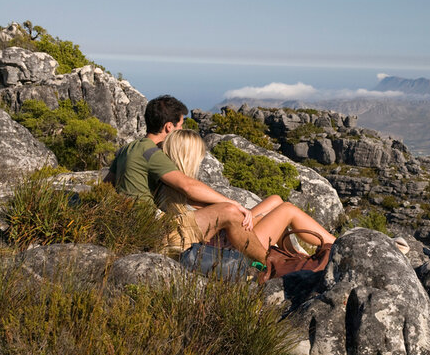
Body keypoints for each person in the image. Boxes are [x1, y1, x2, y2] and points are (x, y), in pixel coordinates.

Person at [104, 95, 269, 262]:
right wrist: (233, 203)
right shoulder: (152, 152)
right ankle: (269, 265)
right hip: (158, 230)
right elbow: (187, 186)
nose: (181, 131)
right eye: (180, 127)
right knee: (229, 212)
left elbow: (107, 185)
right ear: (169, 127)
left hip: (133, 225)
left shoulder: (127, 149)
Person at [157, 129, 336, 256]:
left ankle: (292, 253)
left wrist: (250, 215)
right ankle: (336, 245)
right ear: (188, 157)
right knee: (288, 210)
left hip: (233, 234)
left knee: (275, 200)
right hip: (234, 246)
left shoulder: (172, 186)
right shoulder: (183, 191)